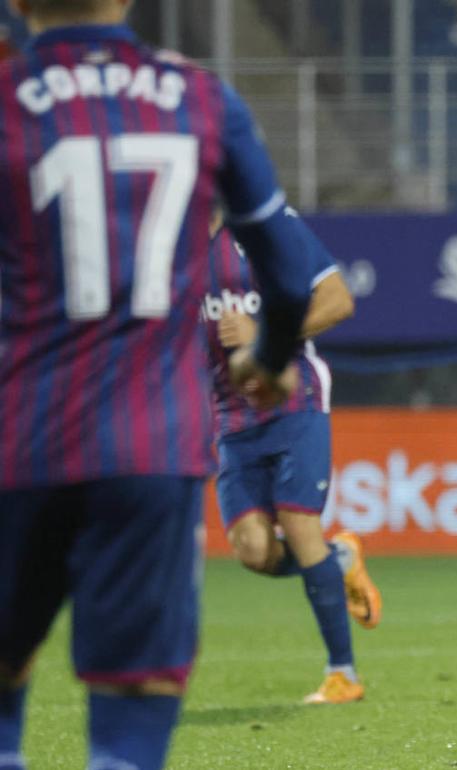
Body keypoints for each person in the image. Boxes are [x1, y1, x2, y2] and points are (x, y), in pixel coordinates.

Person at [0, 1, 322, 768]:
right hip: (153, 443)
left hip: (19, 440)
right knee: (133, 703)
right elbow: (287, 276)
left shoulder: (10, 100)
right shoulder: (201, 98)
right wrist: (272, 359)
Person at [204, 215, 382, 705]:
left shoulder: (268, 226)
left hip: (293, 401)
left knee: (300, 526)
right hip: (229, 419)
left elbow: (339, 300)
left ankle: (342, 674)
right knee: (254, 553)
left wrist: (266, 335)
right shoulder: (166, 244)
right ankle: (338, 559)